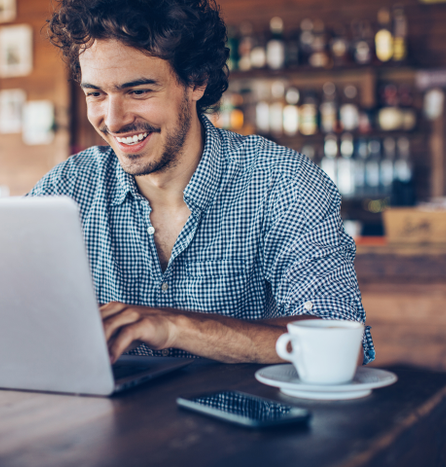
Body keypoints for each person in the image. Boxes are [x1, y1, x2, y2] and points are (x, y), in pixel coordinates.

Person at [31, 0, 375, 365]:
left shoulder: (282, 182)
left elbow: (342, 346)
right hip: (111, 421)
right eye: (96, 93)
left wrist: (176, 327)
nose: (113, 121)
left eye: (139, 91)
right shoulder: (67, 189)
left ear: (195, 81)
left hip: (243, 420)